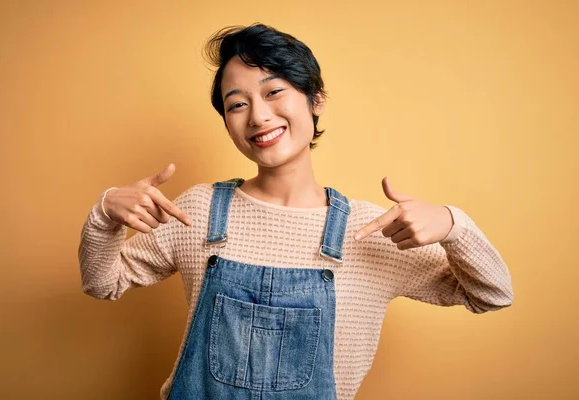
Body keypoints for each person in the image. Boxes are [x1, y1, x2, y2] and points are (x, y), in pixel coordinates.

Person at [78, 23, 514, 400]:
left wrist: (454, 224)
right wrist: (105, 214)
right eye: (237, 103)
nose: (259, 116)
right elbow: (103, 284)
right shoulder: (199, 210)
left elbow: (492, 294)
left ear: (315, 99)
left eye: (274, 92)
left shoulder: (371, 231)